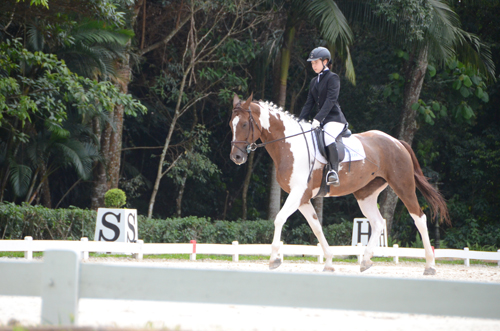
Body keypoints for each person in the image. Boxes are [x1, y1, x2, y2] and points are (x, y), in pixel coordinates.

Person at [298, 46, 347, 187]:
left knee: (327, 137)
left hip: (334, 119)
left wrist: (318, 119)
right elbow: (309, 104)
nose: (313, 66)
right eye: (312, 63)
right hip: (321, 120)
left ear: (325, 61)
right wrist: (299, 121)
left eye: (316, 63)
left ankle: (333, 171)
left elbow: (331, 100)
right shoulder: (314, 81)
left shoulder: (333, 78)